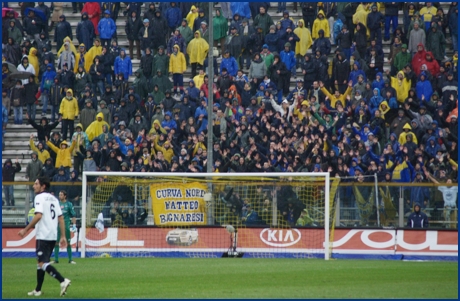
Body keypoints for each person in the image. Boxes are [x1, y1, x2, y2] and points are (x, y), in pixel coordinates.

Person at [18, 177, 71, 297]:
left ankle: (62, 280)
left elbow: (38, 216)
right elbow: (61, 218)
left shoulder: (39, 197)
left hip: (43, 234)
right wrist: (63, 236)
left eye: (36, 184)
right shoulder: (54, 198)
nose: (33, 186)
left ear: (43, 186)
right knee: (40, 262)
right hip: (52, 235)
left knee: (42, 263)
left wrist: (25, 229)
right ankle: (37, 290)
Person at [52, 190, 77, 264]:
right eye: (59, 195)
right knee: (56, 242)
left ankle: (70, 259)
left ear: (65, 196)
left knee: (68, 242)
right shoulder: (56, 204)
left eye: (61, 195)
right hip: (57, 226)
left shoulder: (69, 204)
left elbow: (73, 215)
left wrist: (74, 225)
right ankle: (56, 259)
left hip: (66, 226)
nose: (60, 196)